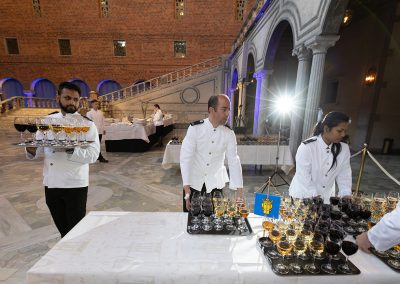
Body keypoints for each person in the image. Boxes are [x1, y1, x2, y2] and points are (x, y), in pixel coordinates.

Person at [26, 82, 100, 237]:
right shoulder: (47, 121)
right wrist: (31, 149)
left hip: (75, 184)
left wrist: (70, 149)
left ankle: (76, 257)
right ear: (58, 98)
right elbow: (39, 149)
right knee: (63, 231)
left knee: (76, 232)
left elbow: (93, 155)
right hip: (52, 183)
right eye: (67, 98)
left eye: (75, 99)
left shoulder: (87, 124)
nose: (72, 102)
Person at [180, 94, 243, 212]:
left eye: (229, 110)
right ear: (211, 110)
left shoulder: (229, 133)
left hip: (215, 185)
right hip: (194, 184)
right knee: (191, 221)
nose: (228, 114)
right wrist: (186, 188)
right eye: (224, 109)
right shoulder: (195, 129)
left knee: (215, 222)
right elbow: (186, 158)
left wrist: (239, 191)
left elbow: (234, 160)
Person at [289, 111, 352, 203]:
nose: (343, 135)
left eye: (344, 131)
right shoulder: (307, 147)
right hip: (302, 197)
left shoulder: (344, 149)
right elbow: (304, 176)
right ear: (326, 129)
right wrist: (315, 197)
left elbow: (344, 174)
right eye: (339, 131)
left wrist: (346, 194)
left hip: (326, 198)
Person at [86, 98, 108, 163]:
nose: (97, 105)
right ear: (92, 105)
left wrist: (103, 129)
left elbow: (103, 121)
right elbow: (88, 123)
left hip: (100, 130)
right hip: (93, 131)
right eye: (95, 104)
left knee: (97, 144)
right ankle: (99, 157)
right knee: (95, 144)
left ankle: (98, 156)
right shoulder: (89, 113)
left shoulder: (100, 112)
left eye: (97, 104)